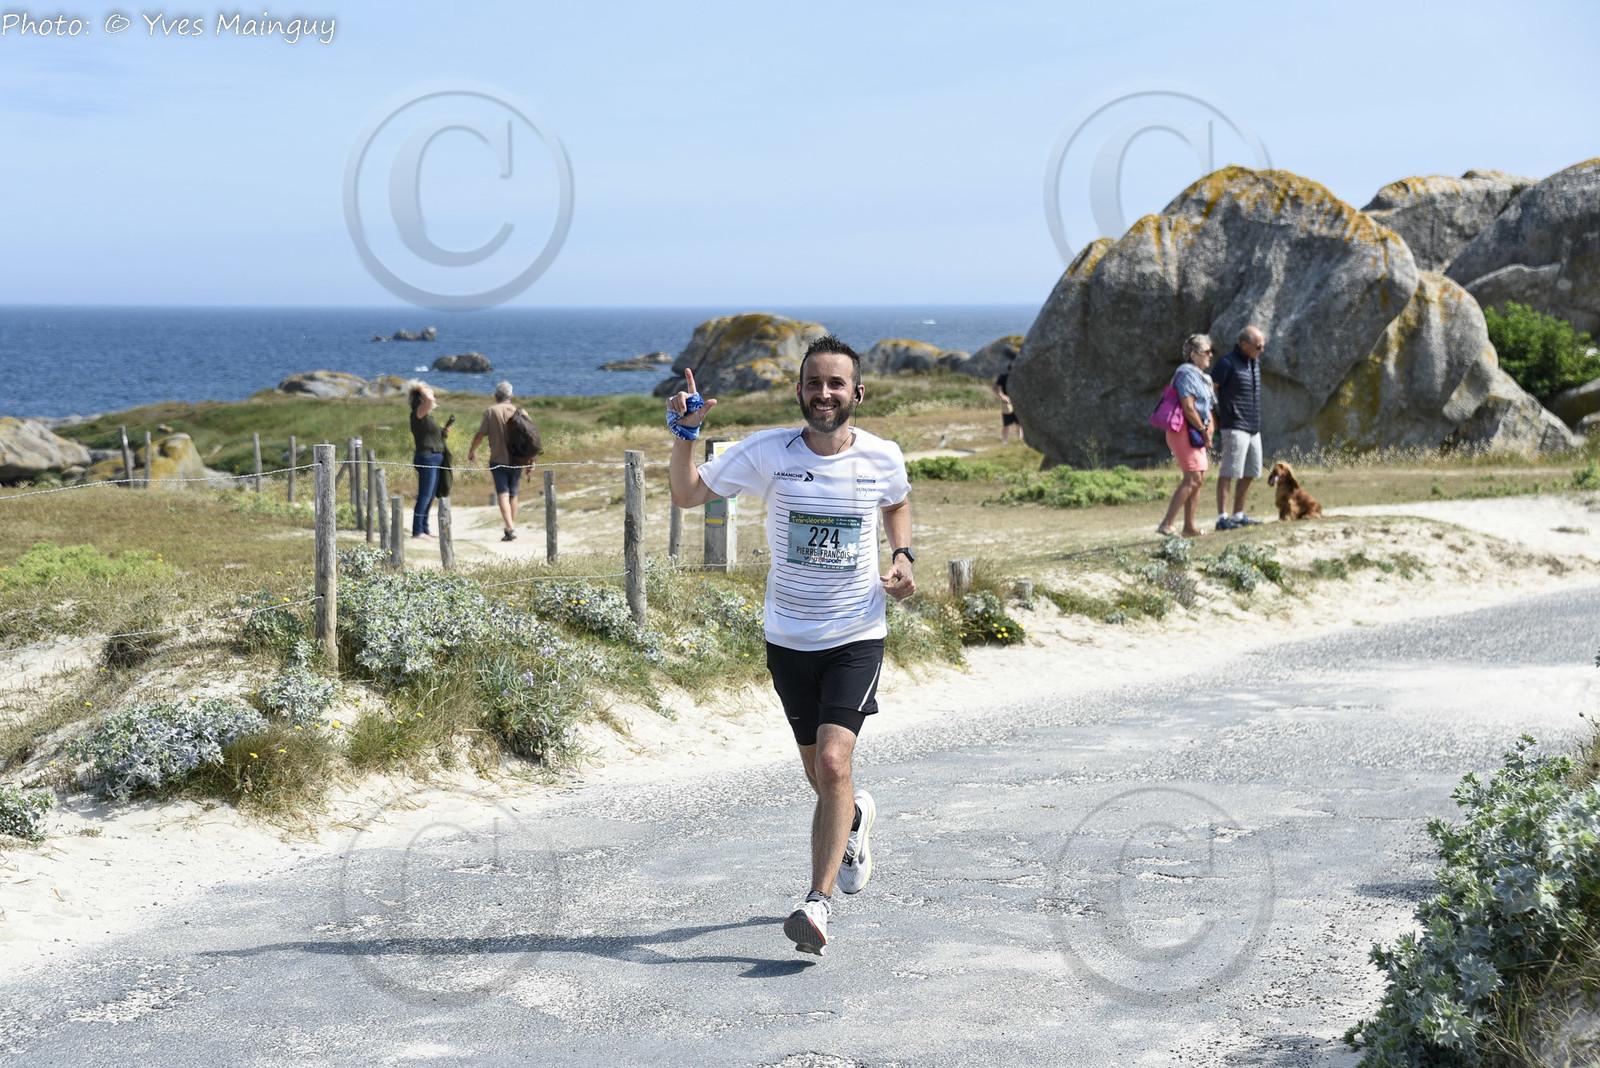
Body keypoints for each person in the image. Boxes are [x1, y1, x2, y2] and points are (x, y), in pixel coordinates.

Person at [667, 335, 916, 957]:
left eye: (836, 384)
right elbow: (687, 495)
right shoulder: (768, 452)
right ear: (799, 390)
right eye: (813, 383)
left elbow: (897, 503)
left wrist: (903, 555)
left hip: (856, 633)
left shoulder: (882, 456)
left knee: (833, 764)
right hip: (788, 638)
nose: (824, 394)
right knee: (819, 774)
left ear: (857, 393)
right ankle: (853, 820)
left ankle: (816, 903)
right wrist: (685, 433)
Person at [1156, 333, 1216, 537]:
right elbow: (1188, 406)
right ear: (1193, 354)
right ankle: (1166, 523)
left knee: (1199, 477)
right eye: (1206, 351)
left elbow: (1207, 408)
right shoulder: (1187, 374)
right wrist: (1203, 430)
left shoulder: (1203, 377)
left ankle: (1189, 527)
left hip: (1195, 431)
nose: (1210, 355)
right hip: (1184, 431)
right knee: (1193, 477)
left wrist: (1209, 429)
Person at [1212, 325, 1266, 530]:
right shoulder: (1227, 362)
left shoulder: (1254, 362)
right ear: (1244, 344)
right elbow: (1209, 390)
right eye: (1258, 347)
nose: (1261, 350)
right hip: (1234, 427)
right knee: (1228, 471)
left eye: (1263, 346)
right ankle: (1222, 518)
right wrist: (1214, 418)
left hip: (1253, 427)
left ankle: (1238, 515)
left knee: (1251, 471)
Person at [467, 380, 527, 542]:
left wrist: (472, 451)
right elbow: (530, 437)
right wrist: (531, 460)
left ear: (495, 397)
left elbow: (480, 435)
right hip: (517, 459)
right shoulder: (520, 412)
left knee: (503, 494)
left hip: (498, 459)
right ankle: (510, 527)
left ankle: (510, 528)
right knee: (513, 494)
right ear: (511, 397)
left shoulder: (491, 411)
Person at [407, 382, 449, 539]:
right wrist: (420, 387)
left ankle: (424, 528)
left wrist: (443, 433)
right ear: (422, 398)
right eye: (431, 394)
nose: (434, 397)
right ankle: (417, 531)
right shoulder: (418, 412)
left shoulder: (426, 416)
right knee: (424, 496)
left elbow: (429, 435)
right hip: (427, 458)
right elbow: (430, 400)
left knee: (430, 496)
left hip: (434, 458)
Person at [993, 355, 1019, 444]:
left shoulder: (1018, 377)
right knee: (1006, 425)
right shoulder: (1003, 377)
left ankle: (1018, 442)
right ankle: (1005, 443)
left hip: (1018, 403)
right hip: (1007, 403)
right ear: (1008, 370)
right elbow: (995, 387)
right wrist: (1002, 395)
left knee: (1019, 424)